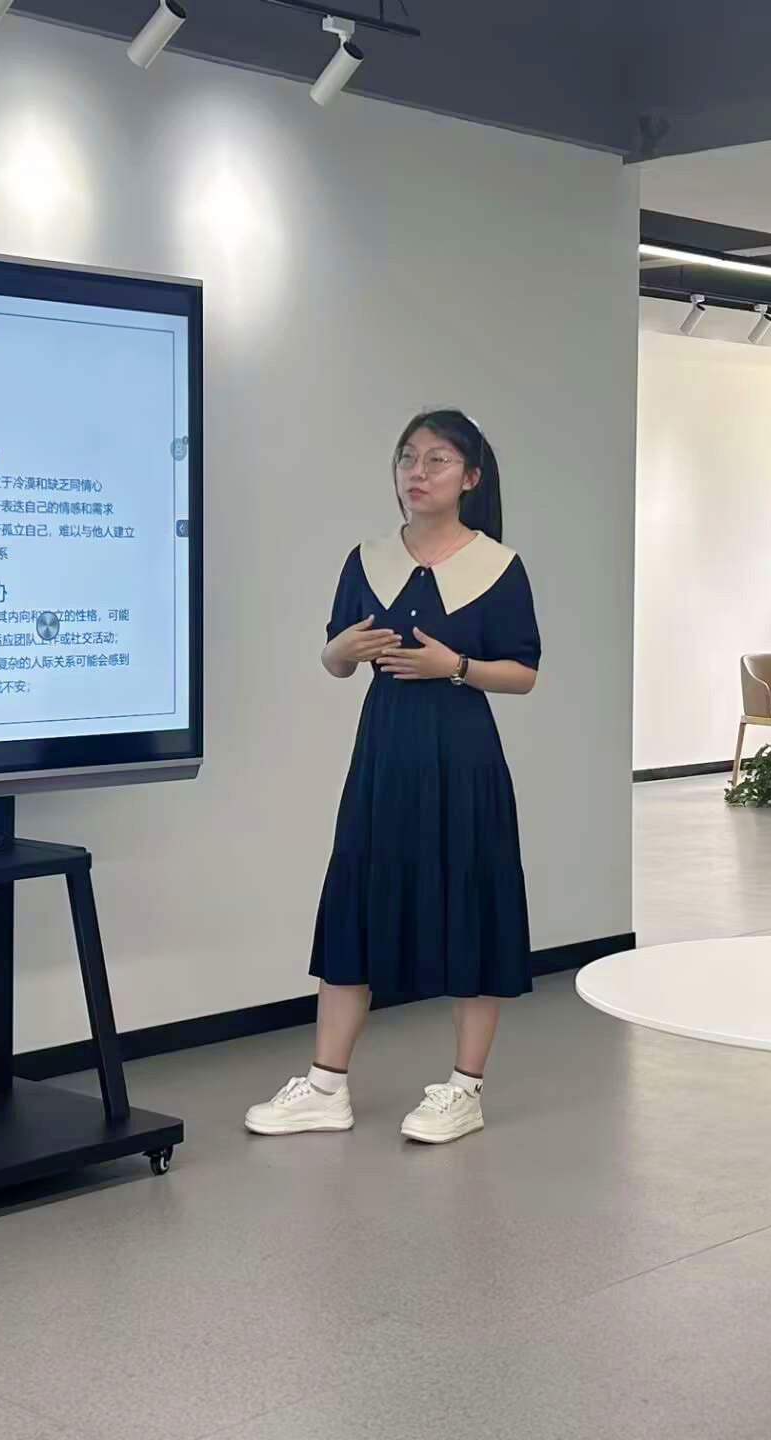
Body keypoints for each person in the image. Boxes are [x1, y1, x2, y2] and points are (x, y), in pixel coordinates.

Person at [246, 409, 540, 1145]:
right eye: (408, 457)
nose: (417, 472)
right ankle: (325, 1088)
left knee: (470, 900)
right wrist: (340, 651)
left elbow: (524, 672)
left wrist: (456, 666)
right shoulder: (367, 559)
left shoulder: (498, 566)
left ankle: (465, 1090)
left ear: (471, 477)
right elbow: (336, 659)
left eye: (437, 460)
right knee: (355, 896)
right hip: (382, 752)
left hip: (462, 755)